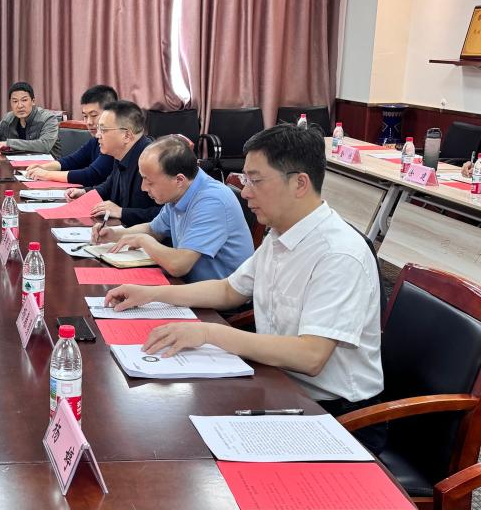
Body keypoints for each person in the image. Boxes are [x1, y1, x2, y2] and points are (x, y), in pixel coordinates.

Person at [105, 125, 385, 452]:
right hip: (277, 383)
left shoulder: (338, 254)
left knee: (183, 443)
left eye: (255, 180)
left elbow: (310, 356)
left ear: (299, 183)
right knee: (163, 426)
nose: (245, 192)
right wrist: (151, 294)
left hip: (337, 415)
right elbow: (229, 290)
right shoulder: (281, 234)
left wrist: (208, 333)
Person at [94, 135, 253, 281]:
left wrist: (143, 240)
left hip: (215, 298)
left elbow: (178, 265)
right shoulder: (181, 191)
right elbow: (153, 229)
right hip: (189, 286)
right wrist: (113, 234)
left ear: (179, 180)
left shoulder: (211, 201)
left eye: (150, 182)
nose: (143, 187)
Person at [66, 101, 160, 225]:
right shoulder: (121, 152)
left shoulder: (153, 160)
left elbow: (166, 214)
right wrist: (85, 192)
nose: (97, 135)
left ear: (126, 135)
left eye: (103, 129)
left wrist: (122, 212)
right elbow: (110, 186)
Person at [25, 85, 117, 186]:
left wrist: (47, 174)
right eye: (85, 116)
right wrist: (44, 167)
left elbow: (91, 175)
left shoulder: (114, 142)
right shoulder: (96, 139)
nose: (89, 122)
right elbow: (73, 161)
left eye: (94, 115)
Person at [0, 82, 62, 158]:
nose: (20, 106)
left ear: (33, 101)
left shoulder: (48, 118)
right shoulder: (9, 117)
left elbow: (44, 145)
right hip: (17, 164)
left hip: (47, 166)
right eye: (15, 101)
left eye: (24, 100)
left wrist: (8, 144)